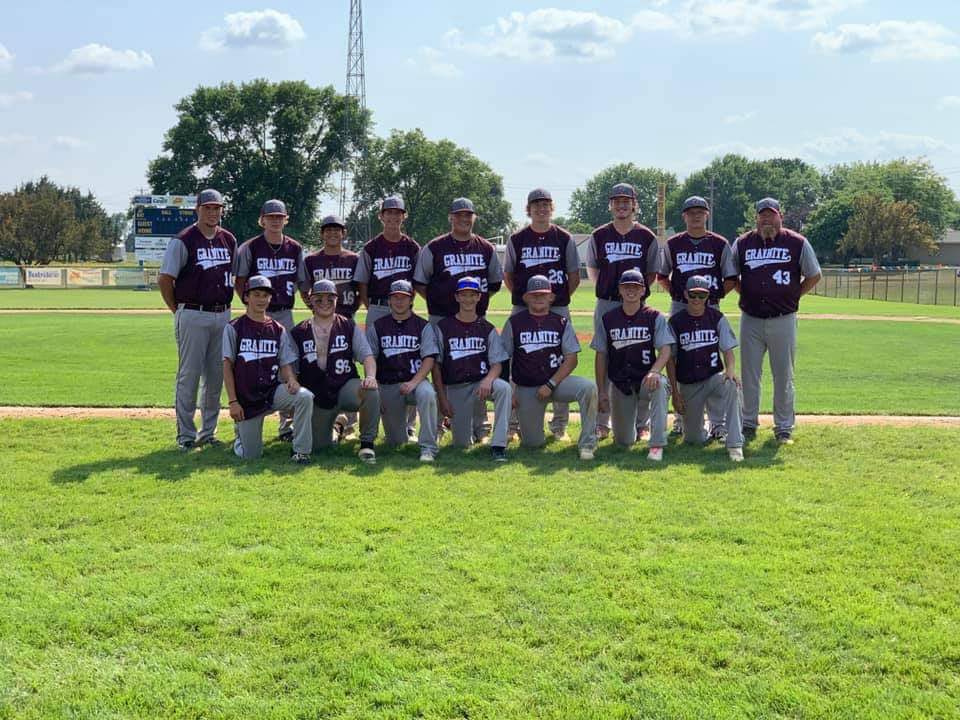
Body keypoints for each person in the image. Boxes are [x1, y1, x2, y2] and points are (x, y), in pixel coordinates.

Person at [731, 197, 822, 444]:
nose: (767, 219)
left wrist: (793, 295)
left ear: (780, 216)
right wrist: (746, 292)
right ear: (757, 218)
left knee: (783, 375)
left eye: (771, 215)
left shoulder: (797, 242)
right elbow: (731, 276)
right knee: (749, 375)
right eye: (763, 215)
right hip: (750, 318)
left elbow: (814, 275)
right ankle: (748, 422)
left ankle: (783, 426)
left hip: (783, 318)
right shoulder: (742, 243)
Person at [414, 196, 503, 441]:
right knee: (438, 367)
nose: (464, 219)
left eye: (468, 215)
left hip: (474, 318)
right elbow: (421, 282)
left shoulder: (485, 247)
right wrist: (440, 301)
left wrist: (472, 303)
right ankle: (441, 423)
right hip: (440, 317)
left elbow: (494, 283)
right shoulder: (435, 246)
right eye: (459, 215)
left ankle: (481, 426)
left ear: (473, 218)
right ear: (451, 218)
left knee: (476, 367)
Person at [158, 188, 237, 452]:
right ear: (198, 210)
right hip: (192, 311)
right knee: (189, 376)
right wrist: (178, 310)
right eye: (208, 208)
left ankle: (208, 432)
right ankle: (186, 435)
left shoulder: (229, 240)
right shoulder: (184, 240)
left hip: (222, 313)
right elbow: (165, 279)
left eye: (217, 208)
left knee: (216, 377)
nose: (213, 212)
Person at [503, 187, 581, 440]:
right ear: (528, 210)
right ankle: (512, 426)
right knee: (515, 360)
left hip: (556, 305)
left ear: (552, 208)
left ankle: (559, 426)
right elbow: (508, 276)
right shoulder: (517, 239)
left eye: (546, 204)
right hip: (523, 307)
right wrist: (529, 302)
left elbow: (574, 276)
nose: (541, 208)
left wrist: (553, 300)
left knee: (560, 360)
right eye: (536, 205)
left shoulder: (564, 238)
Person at [585, 183, 661, 440]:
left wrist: (635, 295)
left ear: (634, 205)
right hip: (607, 302)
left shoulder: (646, 236)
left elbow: (652, 271)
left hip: (636, 302)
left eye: (626, 201)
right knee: (605, 360)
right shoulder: (599, 235)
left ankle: (643, 424)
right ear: (610, 205)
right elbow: (592, 267)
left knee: (639, 356)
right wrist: (604, 287)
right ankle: (601, 421)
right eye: (617, 201)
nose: (621, 205)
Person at [658, 195, 738, 440]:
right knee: (680, 359)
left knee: (710, 358)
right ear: (684, 216)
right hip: (681, 306)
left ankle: (717, 423)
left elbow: (731, 278)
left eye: (700, 212)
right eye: (690, 212)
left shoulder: (719, 243)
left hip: (709, 308)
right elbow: (662, 275)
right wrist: (680, 296)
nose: (695, 216)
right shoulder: (673, 244)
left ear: (707, 215)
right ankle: (681, 417)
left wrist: (711, 300)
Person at [501, 275, 598, 460]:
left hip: (557, 383)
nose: (538, 298)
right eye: (534, 294)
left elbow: (572, 359)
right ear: (526, 298)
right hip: (528, 387)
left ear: (551, 297)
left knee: (588, 388)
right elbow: (504, 359)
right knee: (532, 444)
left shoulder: (561, 322)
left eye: (543, 294)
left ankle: (587, 444)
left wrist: (551, 384)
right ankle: (528, 430)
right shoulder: (514, 323)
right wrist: (510, 390)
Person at [222, 275, 315, 463]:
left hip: (272, 392)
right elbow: (227, 366)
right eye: (256, 295)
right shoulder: (234, 328)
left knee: (304, 396)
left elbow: (285, 362)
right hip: (246, 398)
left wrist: (291, 380)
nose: (261, 300)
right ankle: (240, 436)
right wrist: (233, 401)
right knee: (251, 455)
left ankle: (301, 451)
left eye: (265, 296)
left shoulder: (277, 329)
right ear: (247, 297)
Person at [234, 199, 305, 441]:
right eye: (270, 217)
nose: (275, 220)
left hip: (285, 312)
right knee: (254, 364)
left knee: (289, 367)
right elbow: (240, 280)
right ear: (262, 219)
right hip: (258, 313)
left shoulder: (295, 248)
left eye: (279, 217)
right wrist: (251, 307)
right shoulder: (251, 247)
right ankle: (247, 419)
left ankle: (287, 426)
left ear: (286, 220)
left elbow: (302, 283)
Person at [291, 280, 380, 464]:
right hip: (317, 394)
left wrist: (370, 376)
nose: (325, 302)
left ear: (336, 300)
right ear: (310, 300)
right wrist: (293, 383)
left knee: (370, 390)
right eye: (319, 299)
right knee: (320, 448)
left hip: (345, 386)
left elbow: (367, 356)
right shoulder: (299, 331)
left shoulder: (348, 325)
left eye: (330, 298)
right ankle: (338, 425)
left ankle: (367, 443)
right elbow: (289, 365)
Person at [591, 270, 672, 461]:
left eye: (635, 287)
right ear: (619, 289)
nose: (631, 290)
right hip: (621, 384)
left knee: (659, 384)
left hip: (646, 379)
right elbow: (601, 355)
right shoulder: (608, 319)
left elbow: (665, 350)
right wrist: (602, 391)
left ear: (643, 290)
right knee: (624, 441)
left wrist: (654, 371)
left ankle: (656, 445)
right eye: (627, 286)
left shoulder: (654, 317)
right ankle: (631, 430)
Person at [666, 276, 744, 462]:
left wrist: (730, 370)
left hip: (713, 379)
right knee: (693, 439)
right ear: (685, 294)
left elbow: (728, 351)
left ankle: (735, 444)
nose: (696, 299)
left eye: (702, 295)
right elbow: (670, 360)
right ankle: (710, 427)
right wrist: (675, 394)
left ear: (708, 296)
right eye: (693, 294)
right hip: (688, 384)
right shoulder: (676, 322)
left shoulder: (716, 318)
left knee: (732, 384)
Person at [434, 277, 512, 461]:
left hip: (481, 384)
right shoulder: (443, 327)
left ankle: (498, 445)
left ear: (479, 298)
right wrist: (443, 398)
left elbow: (497, 363)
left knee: (504, 388)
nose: (468, 299)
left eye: (472, 295)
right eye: (464, 295)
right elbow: (436, 366)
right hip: (456, 387)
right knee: (461, 444)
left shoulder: (487, 328)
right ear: (457, 297)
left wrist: (488, 380)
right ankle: (459, 429)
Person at [300, 214, 361, 440]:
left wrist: (355, 308)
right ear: (322, 234)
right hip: (321, 322)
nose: (333, 233)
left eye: (337, 230)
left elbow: (361, 288)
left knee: (347, 370)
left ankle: (349, 424)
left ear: (343, 233)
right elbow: (304, 288)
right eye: (328, 230)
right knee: (321, 368)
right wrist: (315, 308)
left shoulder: (354, 258)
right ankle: (325, 416)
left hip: (346, 320)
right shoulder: (312, 260)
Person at [366, 280, 440, 462]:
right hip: (388, 384)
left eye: (404, 298)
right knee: (395, 442)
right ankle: (401, 433)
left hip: (415, 382)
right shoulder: (378, 326)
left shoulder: (423, 326)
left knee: (428, 393)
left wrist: (414, 382)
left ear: (411, 300)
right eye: (395, 297)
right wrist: (376, 391)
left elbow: (429, 359)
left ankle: (428, 447)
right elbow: (370, 358)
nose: (399, 301)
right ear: (389, 301)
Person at [355, 195, 421, 326]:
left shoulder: (412, 247)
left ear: (403, 216)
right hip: (378, 306)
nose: (393, 217)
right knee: (374, 346)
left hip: (404, 306)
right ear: (381, 216)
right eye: (389, 212)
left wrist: (409, 302)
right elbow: (362, 283)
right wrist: (370, 307)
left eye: (397, 213)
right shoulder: (370, 248)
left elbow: (419, 280)